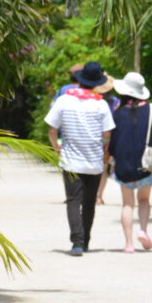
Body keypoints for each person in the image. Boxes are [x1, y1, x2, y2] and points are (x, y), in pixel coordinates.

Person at [44, 62, 115, 256]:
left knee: (73, 201)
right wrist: (102, 148)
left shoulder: (64, 101)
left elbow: (52, 129)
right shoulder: (101, 104)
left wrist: (56, 147)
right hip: (94, 161)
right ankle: (85, 242)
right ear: (97, 83)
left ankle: (77, 242)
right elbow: (107, 134)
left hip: (70, 160)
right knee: (90, 202)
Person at [108, 72, 152, 253]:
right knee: (144, 200)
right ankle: (143, 231)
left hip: (124, 163)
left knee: (127, 204)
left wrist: (112, 157)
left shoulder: (117, 113)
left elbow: (113, 140)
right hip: (145, 164)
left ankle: (128, 244)